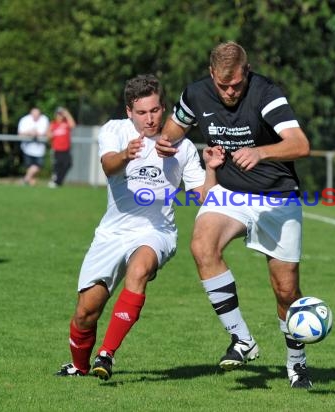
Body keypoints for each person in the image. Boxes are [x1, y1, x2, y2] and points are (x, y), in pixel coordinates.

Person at [155, 41, 313, 388]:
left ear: (248, 72)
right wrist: (166, 142)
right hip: (229, 193)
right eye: (223, 85)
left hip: (277, 196)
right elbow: (171, 132)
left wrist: (261, 152)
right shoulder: (195, 94)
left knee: (286, 291)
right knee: (202, 246)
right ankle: (242, 338)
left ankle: (297, 362)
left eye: (237, 85)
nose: (230, 92)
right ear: (212, 74)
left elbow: (300, 144)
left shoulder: (266, 92)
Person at [56, 74, 209, 380]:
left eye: (155, 110)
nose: (149, 119)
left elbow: (201, 196)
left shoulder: (183, 147)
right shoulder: (115, 130)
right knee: (86, 313)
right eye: (142, 112)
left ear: (163, 108)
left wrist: (214, 169)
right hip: (113, 233)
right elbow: (108, 166)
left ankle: (106, 355)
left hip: (157, 232)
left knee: (139, 270)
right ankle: (80, 366)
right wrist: (127, 154)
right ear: (129, 112)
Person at [18, 107, 50, 186]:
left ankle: (25, 179)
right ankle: (31, 183)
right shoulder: (25, 120)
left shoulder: (44, 119)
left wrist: (38, 133)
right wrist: (29, 133)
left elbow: (47, 132)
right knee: (29, 166)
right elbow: (20, 133)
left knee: (38, 166)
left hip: (40, 149)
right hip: (27, 148)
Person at [48, 107, 76, 188]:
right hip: (57, 149)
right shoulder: (53, 124)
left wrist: (67, 114)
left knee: (68, 164)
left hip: (66, 149)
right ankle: (56, 182)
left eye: (61, 114)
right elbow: (48, 135)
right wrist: (51, 135)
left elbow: (73, 125)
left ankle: (57, 181)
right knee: (58, 166)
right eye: (58, 114)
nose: (60, 116)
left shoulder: (66, 123)